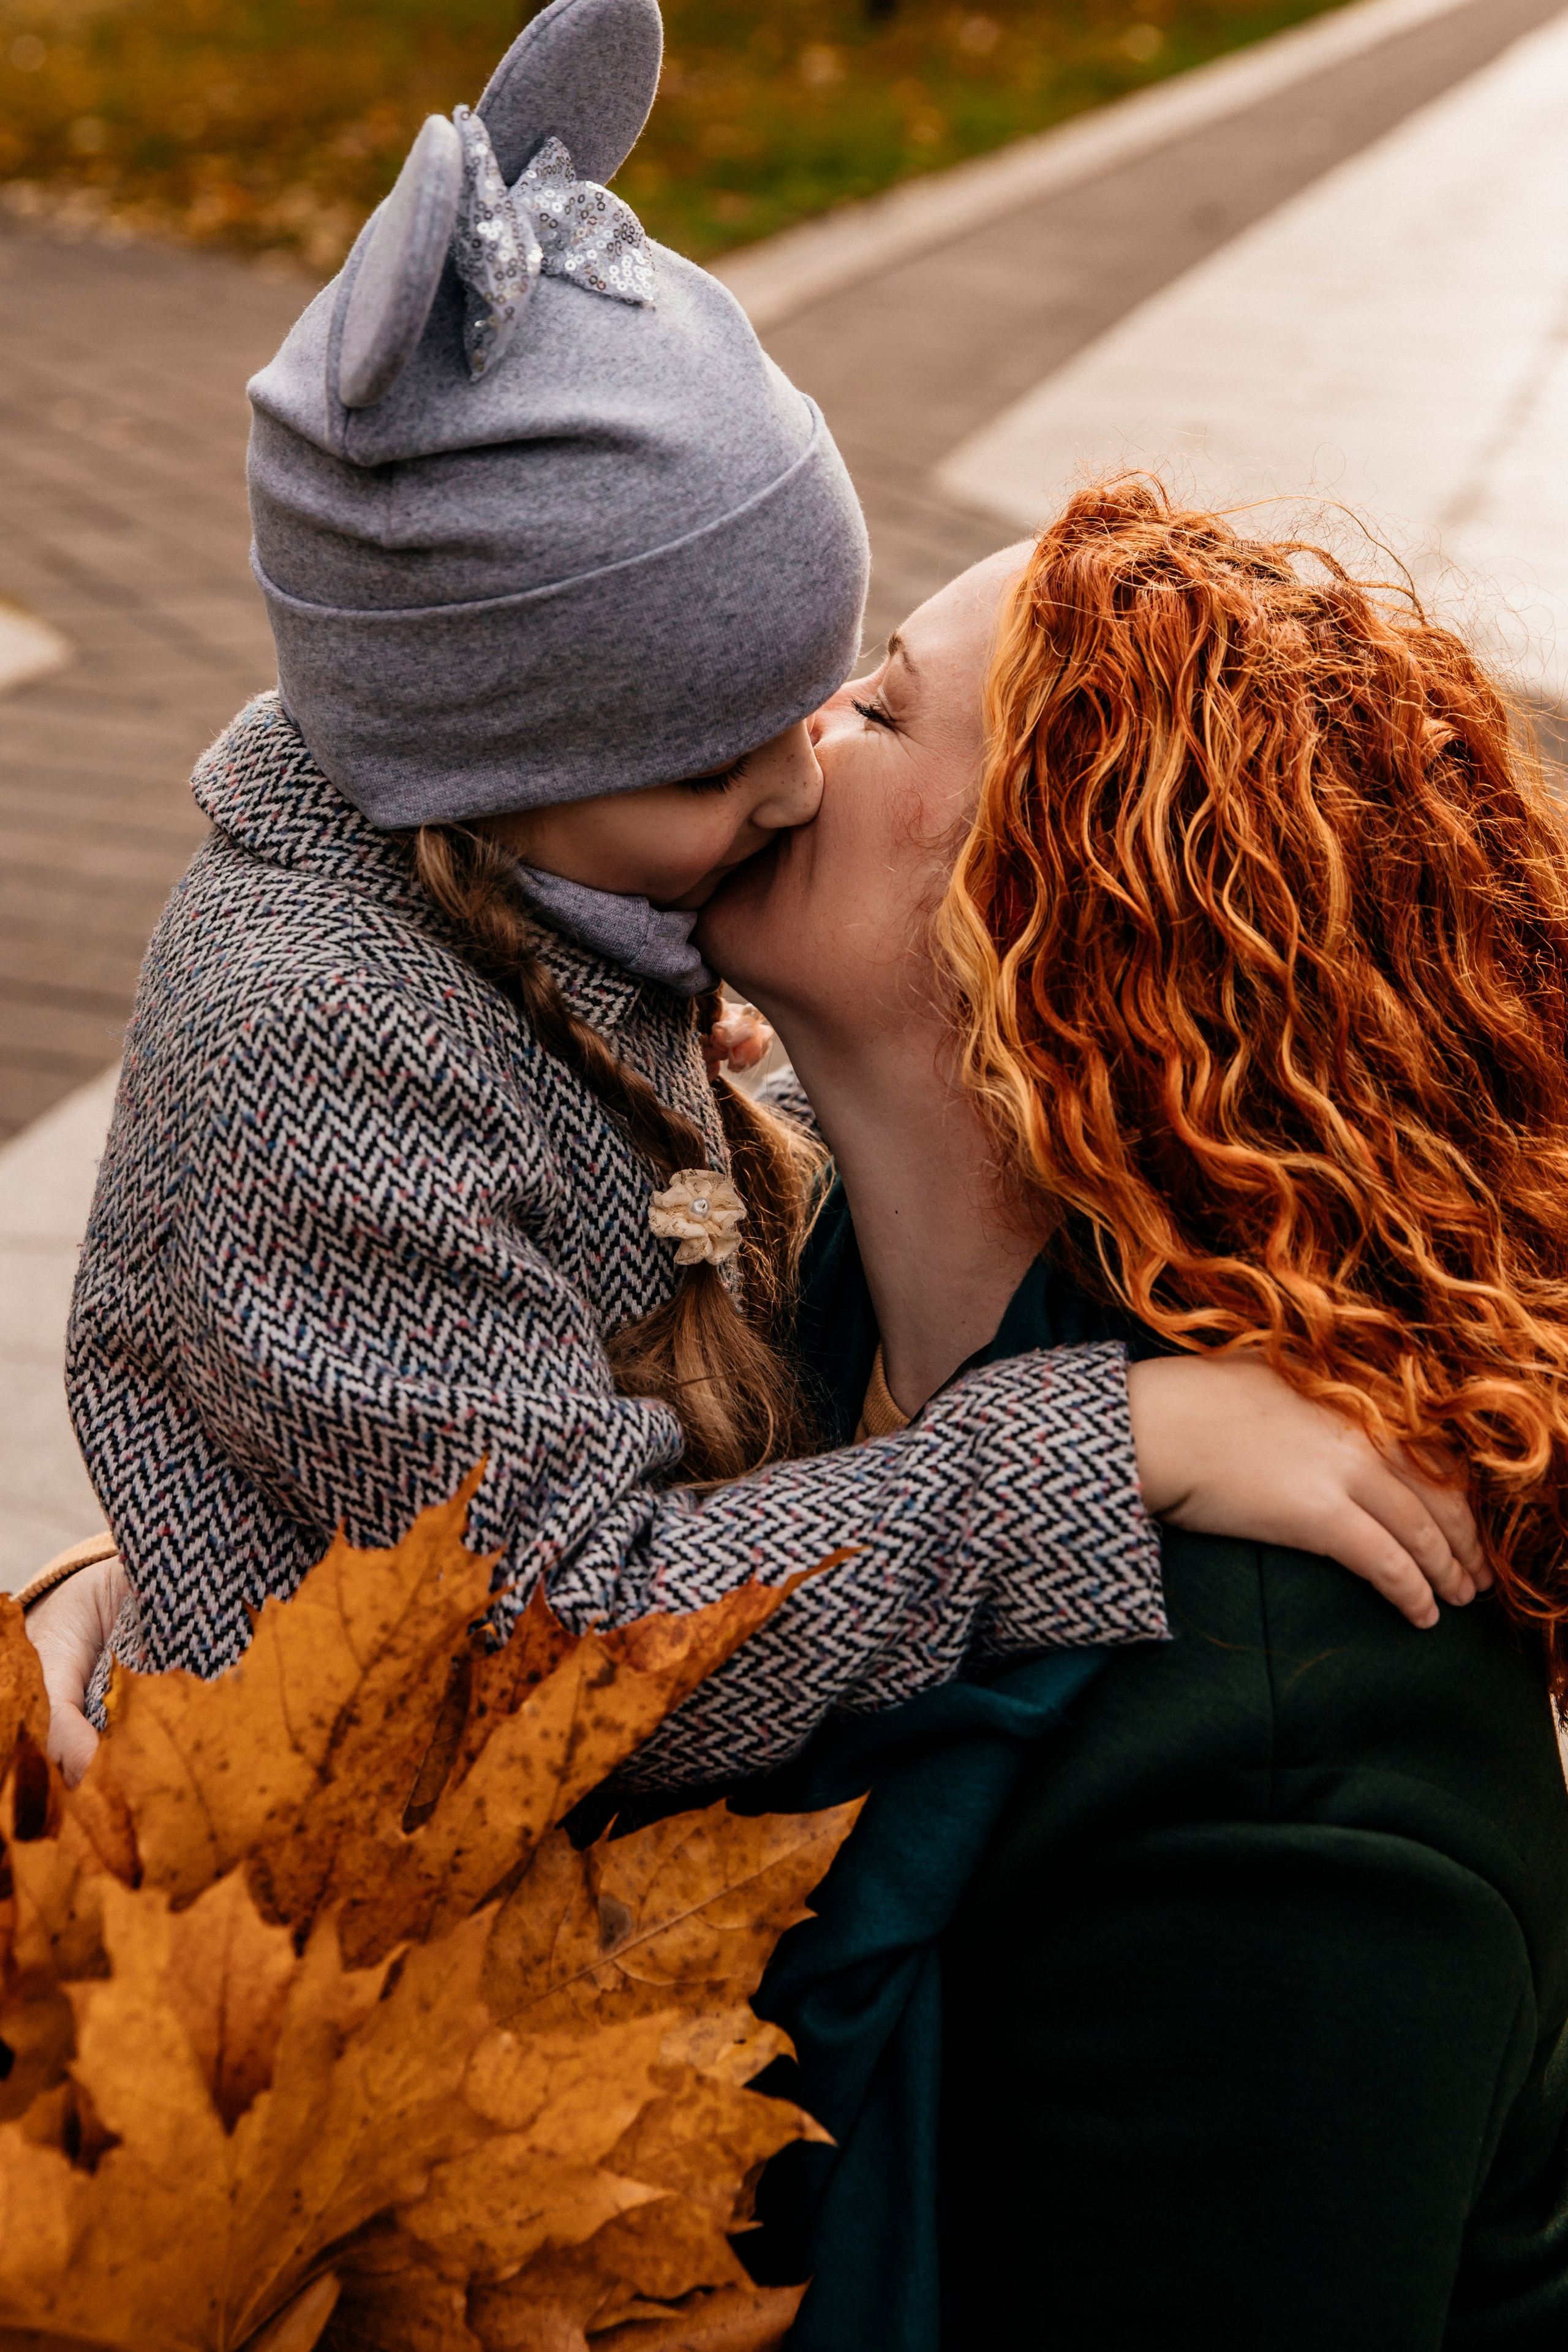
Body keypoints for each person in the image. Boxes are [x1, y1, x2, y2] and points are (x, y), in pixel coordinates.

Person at [28, 3, 1480, 1788]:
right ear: (495, 756)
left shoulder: (529, 895)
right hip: (387, 1958)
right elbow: (562, 1635)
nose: (798, 778)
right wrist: (1082, 1451)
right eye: (728, 757)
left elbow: (633, 1259)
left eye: (841, 700)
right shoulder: (323, 1031)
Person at [698, 481, 1568, 2346]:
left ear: (1048, 906)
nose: (792, 726)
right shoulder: (781, 1298)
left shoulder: (1286, 1788)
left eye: (881, 711)